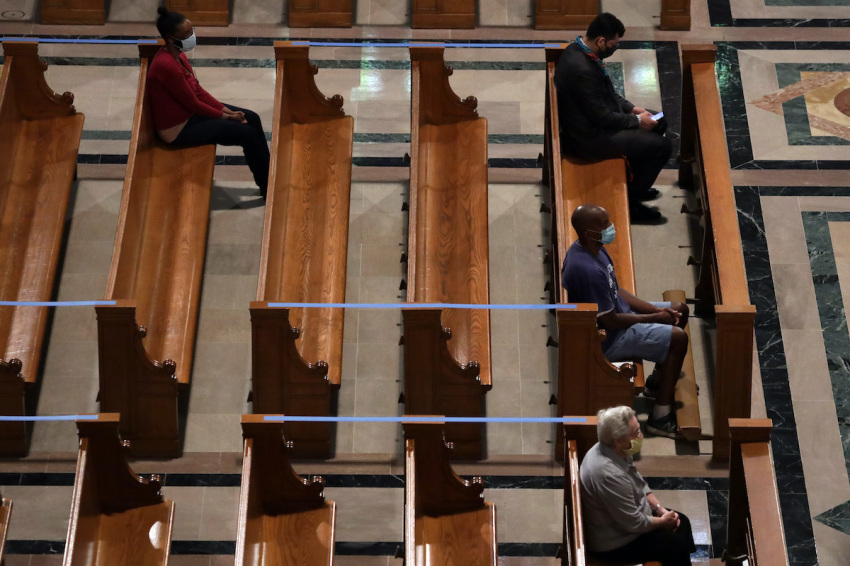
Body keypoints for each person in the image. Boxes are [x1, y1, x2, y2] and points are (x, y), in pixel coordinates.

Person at [561, 204, 688, 437]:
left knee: (680, 309)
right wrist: (654, 317)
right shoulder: (587, 270)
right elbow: (611, 321)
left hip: (616, 318)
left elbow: (615, 289)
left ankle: (656, 385)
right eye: (603, 224)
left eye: (608, 220)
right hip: (607, 340)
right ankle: (660, 418)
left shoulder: (593, 247)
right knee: (678, 339)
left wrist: (654, 310)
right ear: (588, 231)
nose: (610, 226)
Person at [553, 12, 672, 223]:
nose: (615, 48)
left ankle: (635, 181)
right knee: (661, 146)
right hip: (589, 138)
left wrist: (633, 109)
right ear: (601, 41)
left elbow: (606, 93)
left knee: (659, 120)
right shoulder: (582, 70)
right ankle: (632, 202)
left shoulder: (579, 49)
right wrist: (637, 121)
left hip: (595, 121)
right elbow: (602, 118)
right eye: (614, 44)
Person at [147, 6, 270, 199]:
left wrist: (228, 111)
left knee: (252, 117)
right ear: (171, 39)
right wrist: (227, 117)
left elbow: (198, 91)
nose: (192, 36)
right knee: (247, 134)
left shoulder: (179, 55)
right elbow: (193, 104)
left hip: (190, 115)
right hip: (178, 128)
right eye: (187, 34)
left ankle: (269, 174)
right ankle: (267, 185)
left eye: (191, 30)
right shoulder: (166, 66)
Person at [580, 406, 696, 565]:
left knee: (682, 522)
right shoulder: (609, 474)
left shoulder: (614, 449)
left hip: (625, 523)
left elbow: (638, 482)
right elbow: (634, 523)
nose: (640, 436)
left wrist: (660, 510)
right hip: (614, 542)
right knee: (674, 545)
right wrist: (663, 522)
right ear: (618, 440)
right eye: (635, 433)